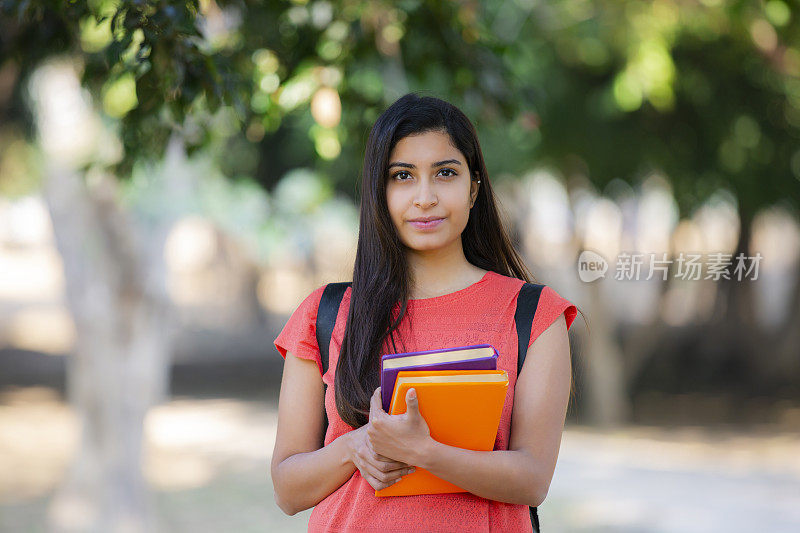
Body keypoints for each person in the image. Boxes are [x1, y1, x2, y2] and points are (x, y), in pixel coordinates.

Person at [271, 92, 577, 532]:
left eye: (445, 173)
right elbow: (287, 489)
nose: (425, 197)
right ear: (380, 192)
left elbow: (533, 480)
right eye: (402, 176)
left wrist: (425, 452)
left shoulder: (532, 315)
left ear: (474, 188)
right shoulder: (325, 313)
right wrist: (357, 445)